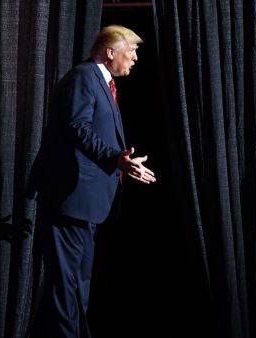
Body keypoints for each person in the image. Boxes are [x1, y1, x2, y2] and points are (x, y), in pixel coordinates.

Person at [28, 25, 155, 338]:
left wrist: (120, 164)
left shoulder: (105, 84)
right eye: (132, 50)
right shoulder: (85, 77)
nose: (136, 58)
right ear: (110, 52)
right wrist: (116, 158)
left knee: (78, 290)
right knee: (67, 290)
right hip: (68, 202)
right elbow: (78, 127)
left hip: (86, 207)